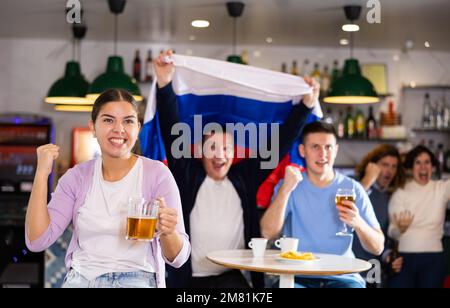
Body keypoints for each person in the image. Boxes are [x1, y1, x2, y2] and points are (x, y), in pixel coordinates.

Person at [155, 50, 320, 288]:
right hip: (188, 280)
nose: (220, 154)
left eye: (226, 148)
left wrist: (306, 105)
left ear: (234, 153)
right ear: (200, 152)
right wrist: (164, 82)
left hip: (232, 279)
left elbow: (280, 143)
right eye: (212, 147)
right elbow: (171, 128)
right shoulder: (187, 173)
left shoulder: (245, 176)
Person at [25, 89, 190, 288]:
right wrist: (42, 173)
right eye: (108, 120)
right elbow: (36, 241)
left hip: (137, 280)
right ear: (93, 127)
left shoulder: (157, 174)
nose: (119, 129)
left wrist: (168, 231)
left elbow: (178, 259)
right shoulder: (76, 178)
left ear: (138, 129)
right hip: (81, 280)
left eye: (128, 121)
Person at [260, 121, 384, 288]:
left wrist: (358, 223)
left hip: (343, 277)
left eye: (328, 147)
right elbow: (267, 232)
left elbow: (378, 247)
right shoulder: (289, 184)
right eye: (315, 147)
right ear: (302, 151)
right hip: (298, 276)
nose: (323, 154)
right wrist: (285, 190)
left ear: (336, 150)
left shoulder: (353, 188)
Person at [388, 145, 450, 288]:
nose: (423, 167)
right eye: (418, 162)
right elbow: (392, 231)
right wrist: (400, 230)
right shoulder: (401, 193)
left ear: (433, 167)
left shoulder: (442, 189)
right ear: (411, 167)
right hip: (404, 258)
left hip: (433, 258)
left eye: (427, 162)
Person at [353, 144, 406, 287]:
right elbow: (346, 206)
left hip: (372, 272)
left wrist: (388, 256)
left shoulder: (389, 198)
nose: (389, 171)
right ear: (372, 166)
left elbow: (384, 239)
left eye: (394, 166)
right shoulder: (354, 185)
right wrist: (368, 180)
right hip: (349, 269)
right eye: (385, 165)